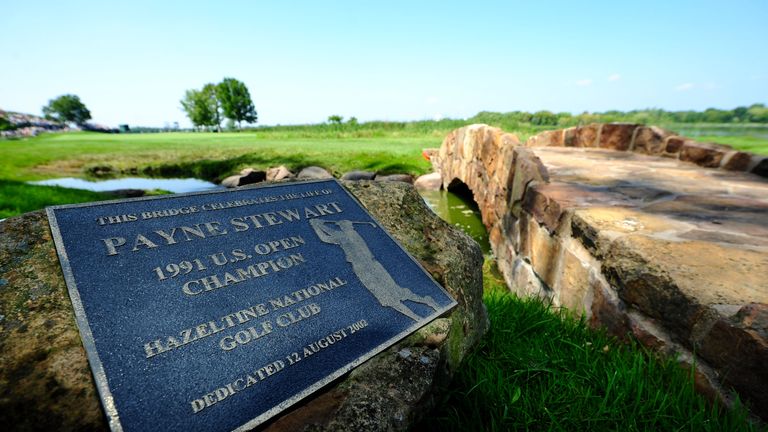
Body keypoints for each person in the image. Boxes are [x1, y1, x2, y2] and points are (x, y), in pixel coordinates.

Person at [309, 218, 439, 321]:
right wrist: (320, 224)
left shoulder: (344, 236)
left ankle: (417, 315)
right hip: (373, 265)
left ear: (345, 227)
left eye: (343, 226)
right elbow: (333, 233)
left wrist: (316, 225)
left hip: (363, 268)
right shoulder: (351, 234)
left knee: (386, 294)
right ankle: (426, 303)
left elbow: (325, 238)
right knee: (394, 291)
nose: (342, 227)